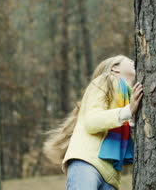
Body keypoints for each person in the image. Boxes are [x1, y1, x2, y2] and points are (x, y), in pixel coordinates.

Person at [44, 55, 143, 190]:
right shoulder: (104, 81)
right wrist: (128, 111)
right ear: (115, 68)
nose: (134, 61)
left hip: (111, 177)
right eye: (130, 61)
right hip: (87, 162)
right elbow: (91, 121)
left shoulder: (132, 97)